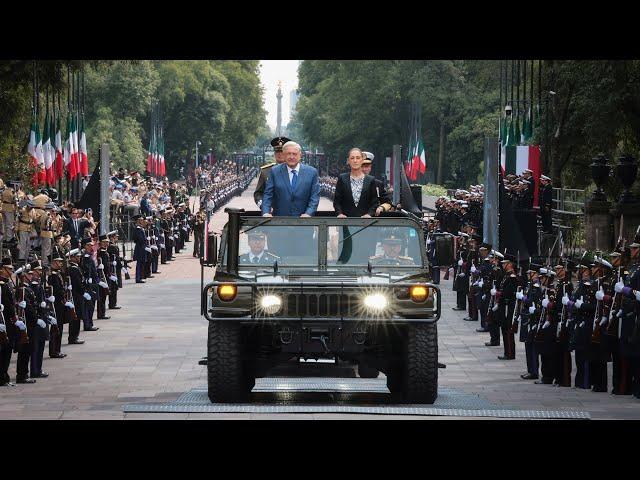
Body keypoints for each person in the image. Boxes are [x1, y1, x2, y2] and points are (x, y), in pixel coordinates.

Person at [261, 141, 320, 217]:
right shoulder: (274, 171)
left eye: (294, 154)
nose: (291, 157)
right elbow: (268, 194)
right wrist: (266, 212)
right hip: (280, 222)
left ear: (300, 155)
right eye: (288, 154)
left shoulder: (312, 173)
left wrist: (308, 213)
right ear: (284, 155)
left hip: (304, 222)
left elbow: (314, 197)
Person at [333, 148, 379, 218]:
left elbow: (374, 202)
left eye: (358, 158)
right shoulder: (342, 178)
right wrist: (339, 213)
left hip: (365, 223)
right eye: (352, 158)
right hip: (345, 222)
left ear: (362, 160)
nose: (355, 161)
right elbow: (337, 201)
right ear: (348, 161)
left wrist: (369, 214)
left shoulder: (370, 180)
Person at [254, 136, 290, 209]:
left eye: (282, 151)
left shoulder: (295, 170)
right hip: (271, 213)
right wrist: (264, 206)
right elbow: (258, 193)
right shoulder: (266, 171)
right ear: (274, 153)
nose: (279, 154)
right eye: (277, 151)